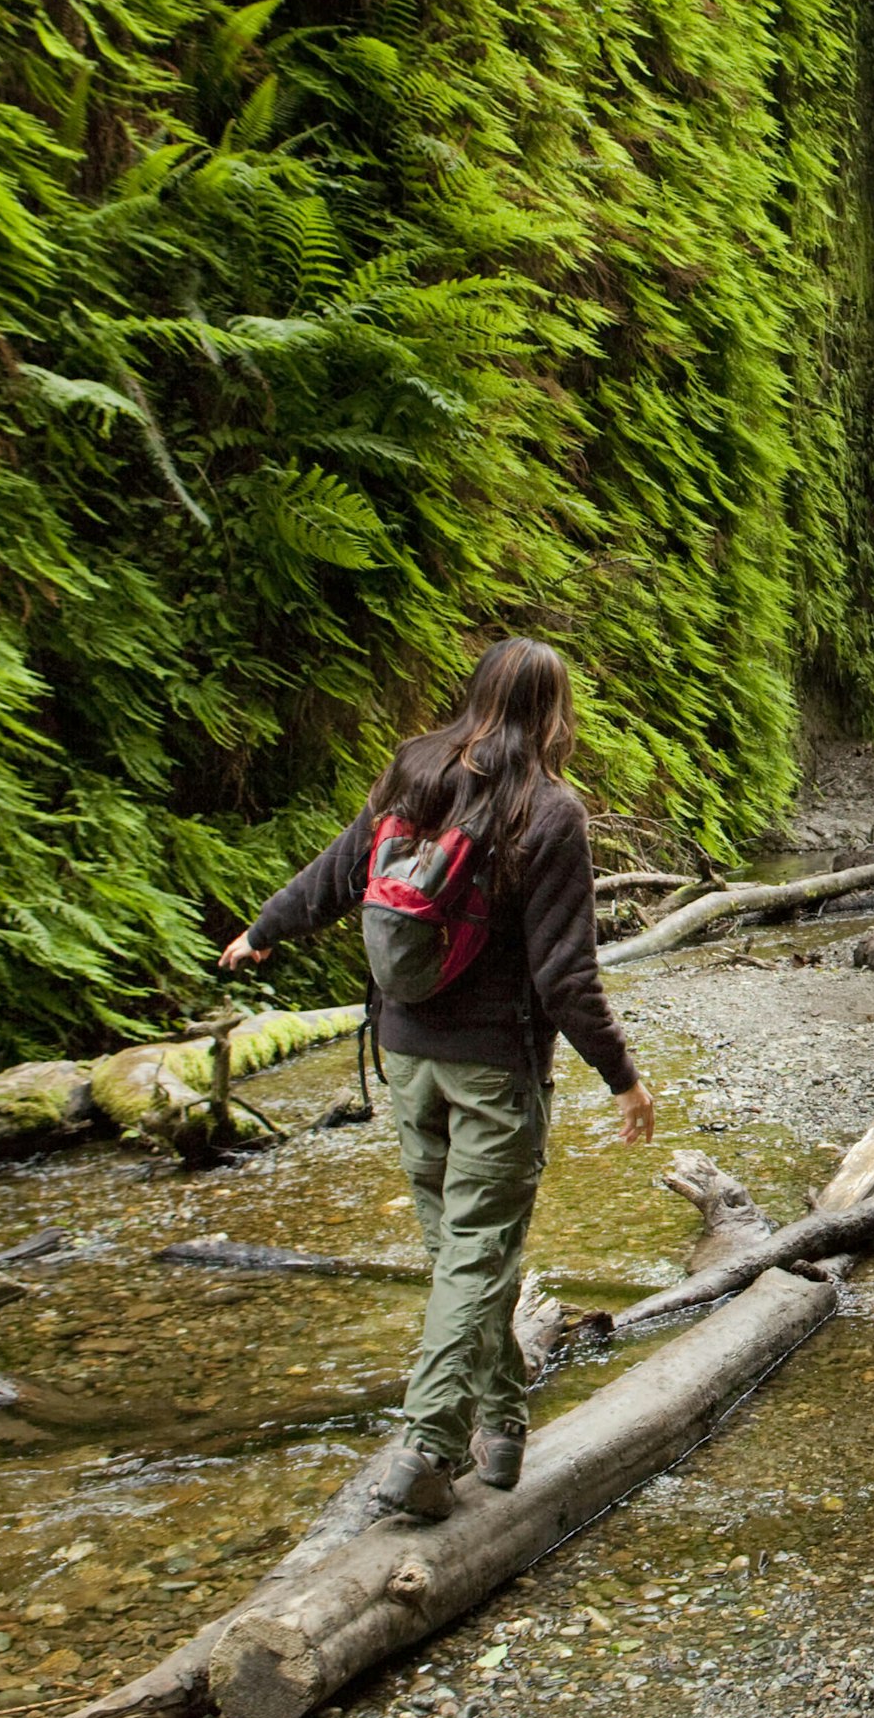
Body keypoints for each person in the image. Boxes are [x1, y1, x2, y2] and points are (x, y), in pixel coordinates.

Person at [220, 637, 656, 1518]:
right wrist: (623, 1078)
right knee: (477, 1257)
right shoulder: (548, 809)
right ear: (555, 711)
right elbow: (564, 974)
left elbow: (342, 871)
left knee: (462, 1258)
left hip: (407, 1056)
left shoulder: (415, 770)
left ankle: (499, 1431)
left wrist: (265, 927)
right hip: (494, 1071)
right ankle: (425, 1446)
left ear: (477, 693)